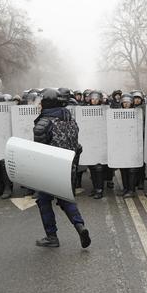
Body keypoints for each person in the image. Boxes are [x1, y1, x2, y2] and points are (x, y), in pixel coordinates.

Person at [33, 88, 91, 249]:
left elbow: (39, 152)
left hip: (49, 169)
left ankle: (52, 237)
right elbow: (77, 146)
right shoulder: (70, 120)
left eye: (41, 102)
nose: (38, 105)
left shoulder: (43, 123)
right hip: (68, 168)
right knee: (66, 200)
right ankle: (80, 227)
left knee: (43, 200)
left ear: (46, 103)